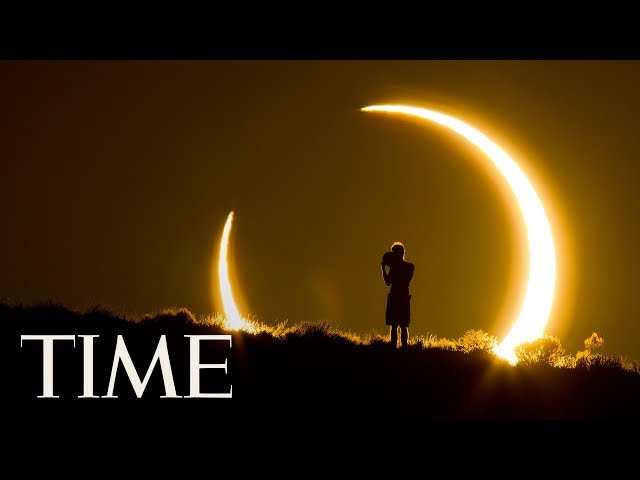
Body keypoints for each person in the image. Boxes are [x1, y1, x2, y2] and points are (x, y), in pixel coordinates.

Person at [381, 242, 415, 348]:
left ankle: (396, 347)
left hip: (397, 296)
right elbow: (388, 283)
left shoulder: (404, 267)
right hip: (402, 296)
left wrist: (383, 268)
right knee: (401, 325)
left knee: (397, 325)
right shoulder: (409, 266)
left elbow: (387, 282)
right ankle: (401, 347)